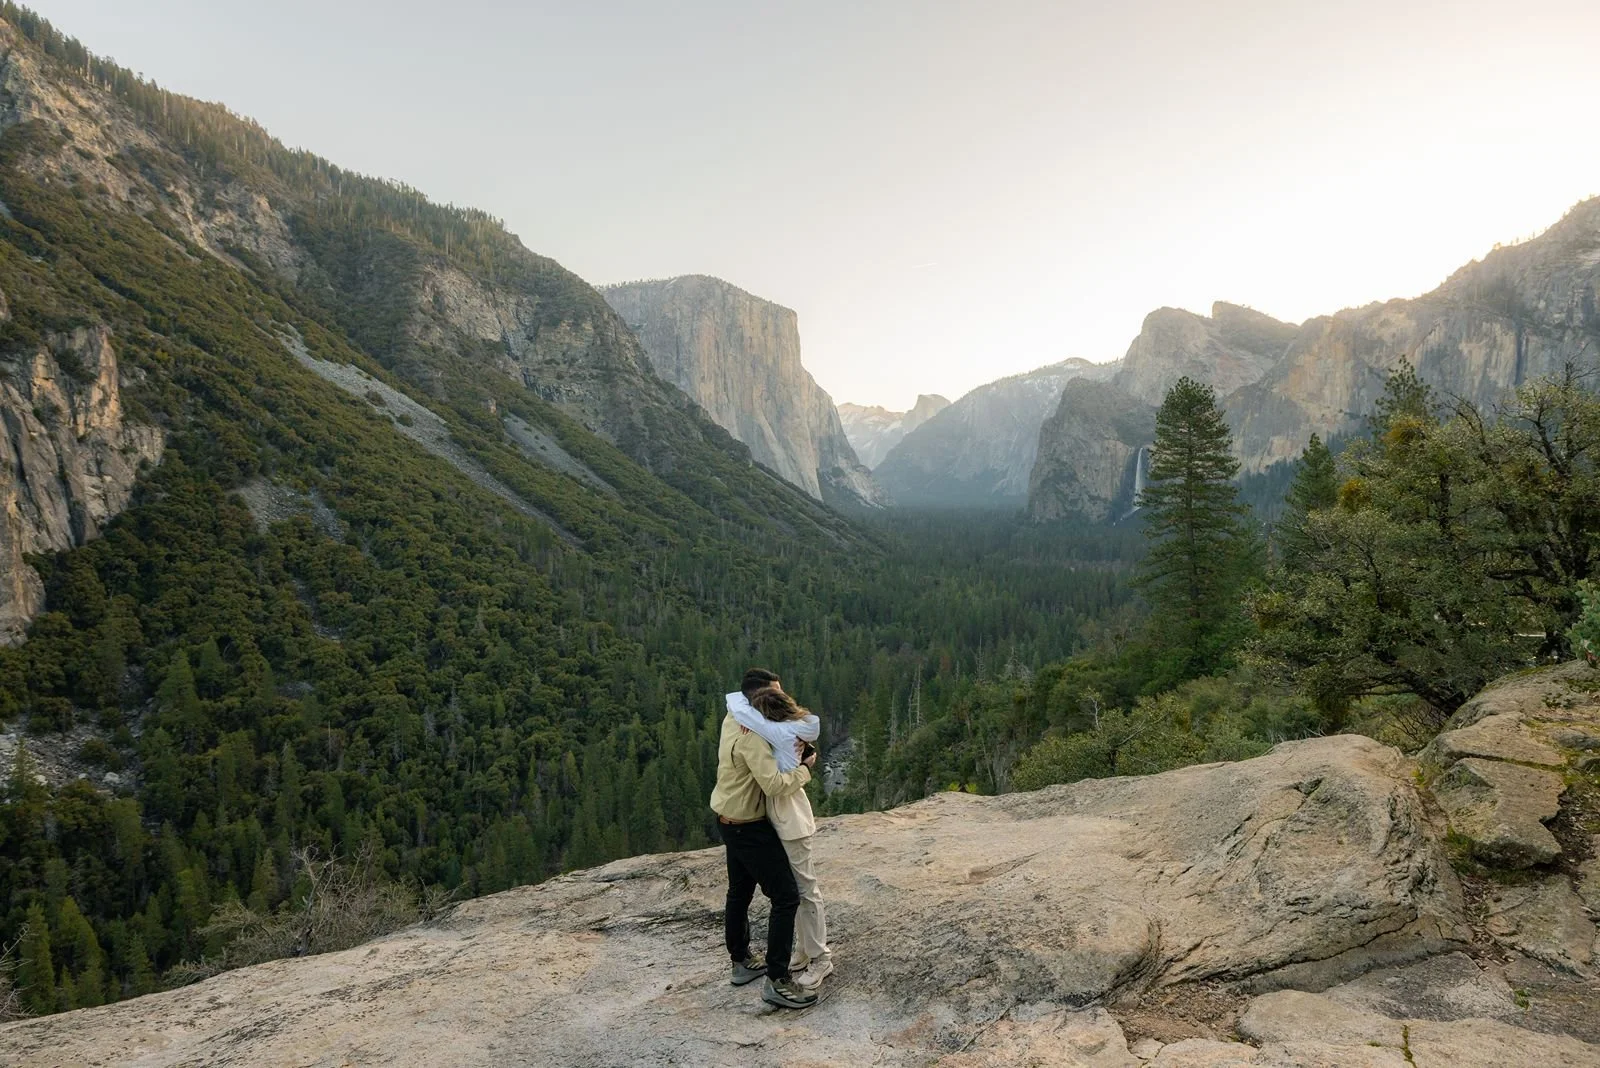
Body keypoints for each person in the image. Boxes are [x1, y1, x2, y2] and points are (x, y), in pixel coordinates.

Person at [709, 668, 819, 1009]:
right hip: (749, 826)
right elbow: (772, 784)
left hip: (726, 818)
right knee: (786, 897)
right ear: (759, 698)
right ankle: (778, 979)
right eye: (775, 694)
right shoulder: (752, 736)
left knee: (739, 891)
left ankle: (741, 961)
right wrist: (806, 769)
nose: (780, 699)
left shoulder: (735, 717)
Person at [731, 683, 834, 990]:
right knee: (796, 890)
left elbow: (737, 706)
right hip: (784, 819)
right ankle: (803, 950)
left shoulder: (781, 733)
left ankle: (821, 959)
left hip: (792, 821)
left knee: (805, 890)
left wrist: (803, 766)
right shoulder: (790, 729)